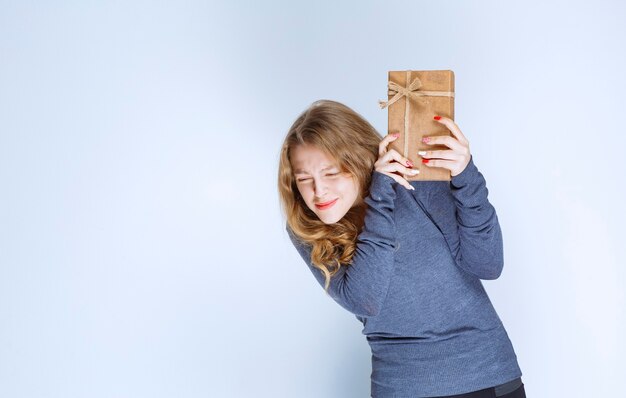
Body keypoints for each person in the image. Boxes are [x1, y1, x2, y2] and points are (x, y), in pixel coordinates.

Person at [277, 99, 526, 398]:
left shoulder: (415, 181)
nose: (319, 192)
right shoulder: (306, 226)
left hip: (486, 377)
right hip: (402, 387)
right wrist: (379, 199)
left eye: (331, 173)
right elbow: (366, 299)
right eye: (305, 179)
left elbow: (487, 264)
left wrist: (466, 176)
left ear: (358, 160)